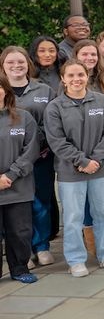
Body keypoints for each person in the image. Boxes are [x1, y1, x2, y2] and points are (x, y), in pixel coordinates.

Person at [44, 59, 104, 276]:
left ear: (87, 76)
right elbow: (57, 141)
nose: (76, 79)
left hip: (101, 168)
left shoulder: (102, 101)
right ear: (63, 79)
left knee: (103, 213)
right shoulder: (55, 107)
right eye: (71, 75)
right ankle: (76, 259)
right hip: (71, 172)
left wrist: (96, 159)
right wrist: (82, 161)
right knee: (73, 217)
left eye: (80, 75)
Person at [6, 46, 56, 267]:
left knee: (41, 203)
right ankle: (22, 250)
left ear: (28, 64)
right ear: (2, 66)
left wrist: (37, 145)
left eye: (21, 61)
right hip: (9, 162)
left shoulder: (44, 90)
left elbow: (53, 122)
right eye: (10, 62)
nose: (16, 66)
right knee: (16, 207)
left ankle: (42, 246)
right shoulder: (1, 91)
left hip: (41, 158)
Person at [0, 79, 40, 283]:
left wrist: (11, 175)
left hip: (19, 186)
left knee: (20, 231)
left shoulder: (24, 118)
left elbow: (31, 149)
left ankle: (20, 269)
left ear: (6, 91)